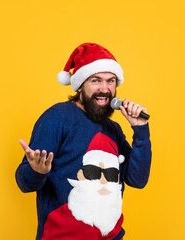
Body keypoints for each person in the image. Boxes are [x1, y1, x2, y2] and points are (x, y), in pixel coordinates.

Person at [15, 42, 152, 240]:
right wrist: (36, 171)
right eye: (96, 80)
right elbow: (24, 183)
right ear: (79, 85)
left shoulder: (113, 128)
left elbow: (137, 180)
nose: (104, 89)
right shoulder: (56, 118)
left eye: (111, 81)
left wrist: (140, 130)